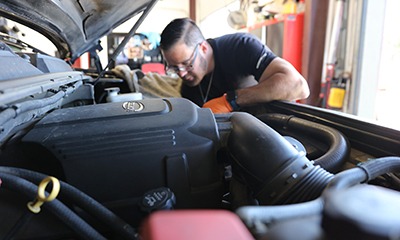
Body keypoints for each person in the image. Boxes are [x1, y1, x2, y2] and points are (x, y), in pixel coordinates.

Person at [159, 18, 310, 113]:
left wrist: (231, 100)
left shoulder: (240, 47)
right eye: (174, 67)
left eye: (187, 64)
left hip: (272, 128)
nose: (182, 74)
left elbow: (298, 86)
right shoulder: (188, 87)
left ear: (203, 48)